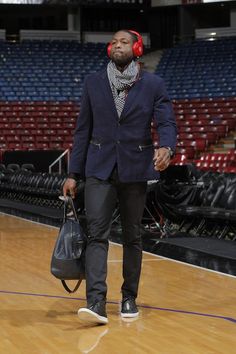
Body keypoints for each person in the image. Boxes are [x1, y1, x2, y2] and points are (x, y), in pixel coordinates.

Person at [63, 29, 177, 325]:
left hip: (135, 168)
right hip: (98, 169)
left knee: (132, 236)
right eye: (113, 42)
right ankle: (96, 301)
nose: (117, 45)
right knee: (96, 235)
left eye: (124, 41)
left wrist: (167, 147)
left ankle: (129, 296)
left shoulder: (153, 84)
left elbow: (166, 121)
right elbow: (82, 131)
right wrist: (73, 173)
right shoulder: (93, 83)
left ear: (137, 48)